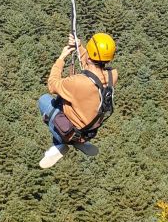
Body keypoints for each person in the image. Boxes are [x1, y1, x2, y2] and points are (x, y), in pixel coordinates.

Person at [37, 32, 117, 169]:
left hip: (69, 132)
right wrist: (79, 46)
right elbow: (92, 69)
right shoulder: (112, 75)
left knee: (44, 100)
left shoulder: (78, 82)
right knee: (62, 99)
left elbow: (52, 84)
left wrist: (61, 58)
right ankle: (79, 142)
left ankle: (59, 145)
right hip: (88, 131)